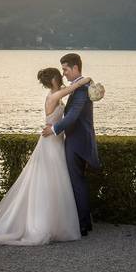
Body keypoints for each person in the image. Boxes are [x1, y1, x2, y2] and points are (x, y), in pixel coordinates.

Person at [0, 68, 90, 245]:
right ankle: (44, 224)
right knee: (49, 181)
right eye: (60, 74)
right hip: (50, 144)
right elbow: (70, 90)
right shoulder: (52, 97)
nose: (63, 76)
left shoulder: (55, 94)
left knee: (55, 182)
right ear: (53, 80)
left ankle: (55, 222)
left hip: (56, 142)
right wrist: (84, 81)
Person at [41, 52, 100, 237]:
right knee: (76, 181)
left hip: (77, 141)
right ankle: (83, 222)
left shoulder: (81, 89)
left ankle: (82, 225)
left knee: (76, 182)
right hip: (76, 139)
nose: (64, 73)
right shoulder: (79, 86)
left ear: (75, 68)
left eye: (66, 69)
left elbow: (73, 115)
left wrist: (55, 129)